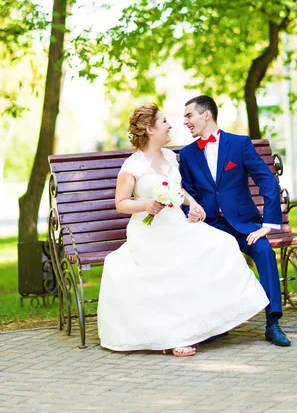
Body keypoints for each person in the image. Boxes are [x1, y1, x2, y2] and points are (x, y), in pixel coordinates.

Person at [97, 103, 268, 356]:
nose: (170, 126)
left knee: (222, 244)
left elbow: (178, 190)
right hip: (150, 232)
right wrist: (146, 204)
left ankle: (221, 317)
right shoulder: (132, 165)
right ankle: (175, 337)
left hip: (177, 223)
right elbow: (120, 203)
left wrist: (194, 204)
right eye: (164, 121)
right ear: (150, 129)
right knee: (171, 267)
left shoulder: (169, 157)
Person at [180, 95, 291, 347]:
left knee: (264, 251)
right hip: (211, 227)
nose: (185, 122)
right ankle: (217, 323)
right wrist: (194, 212)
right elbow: (190, 193)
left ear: (206, 114)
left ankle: (273, 322)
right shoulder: (187, 155)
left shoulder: (239, 144)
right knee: (203, 259)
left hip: (244, 224)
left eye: (189, 115)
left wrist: (267, 225)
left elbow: (268, 182)